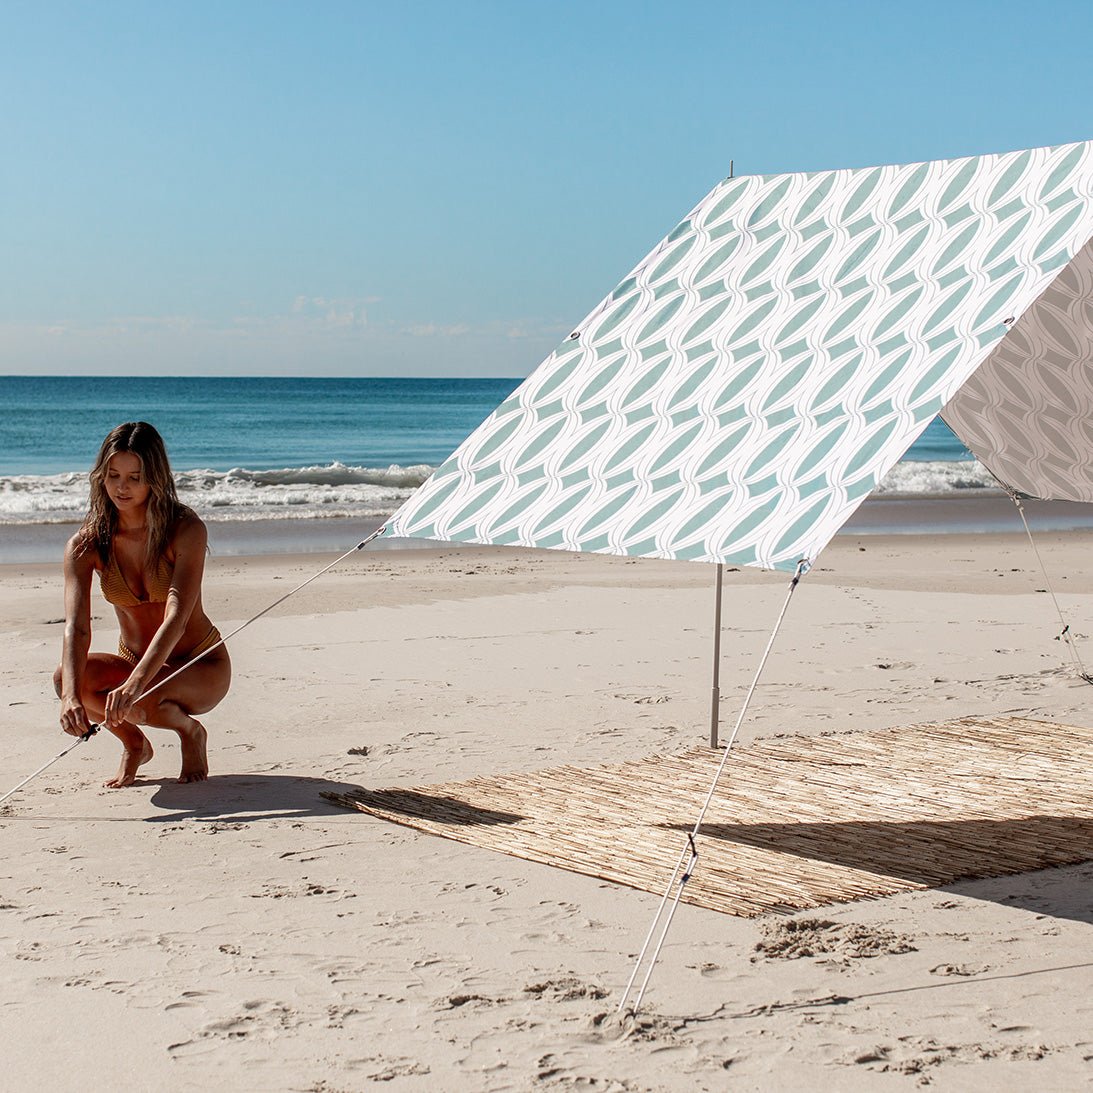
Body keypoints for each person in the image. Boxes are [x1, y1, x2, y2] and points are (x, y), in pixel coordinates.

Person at [55, 422, 231, 787]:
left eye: (135, 477)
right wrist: (70, 697)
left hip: (199, 664)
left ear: (155, 477)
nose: (122, 487)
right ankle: (135, 745)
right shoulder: (87, 545)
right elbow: (78, 626)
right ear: (100, 476)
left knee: (140, 699)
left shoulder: (185, 529)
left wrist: (135, 683)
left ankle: (190, 732)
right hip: (134, 661)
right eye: (113, 475)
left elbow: (177, 617)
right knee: (67, 678)